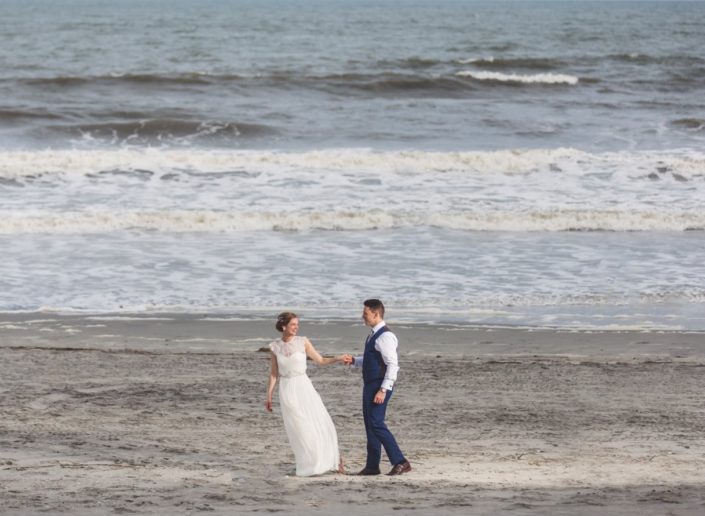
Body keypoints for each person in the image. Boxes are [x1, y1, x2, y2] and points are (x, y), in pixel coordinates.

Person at [266, 312, 346, 476]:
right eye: (293, 324)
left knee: (317, 421)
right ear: (284, 327)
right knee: (299, 428)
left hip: (304, 387)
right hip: (287, 390)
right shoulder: (275, 347)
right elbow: (274, 374)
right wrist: (269, 396)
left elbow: (321, 360)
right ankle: (308, 462)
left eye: (297, 324)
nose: (297, 327)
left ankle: (333, 459)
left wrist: (338, 358)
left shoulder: (303, 342)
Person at [343, 299, 412, 476]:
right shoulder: (373, 334)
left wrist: (383, 389)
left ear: (376, 313)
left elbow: (392, 365)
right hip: (370, 384)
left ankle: (401, 461)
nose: (362, 317)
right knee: (370, 425)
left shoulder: (385, 336)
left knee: (376, 423)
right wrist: (355, 361)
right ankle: (372, 466)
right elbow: (372, 360)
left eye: (365, 313)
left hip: (379, 385)